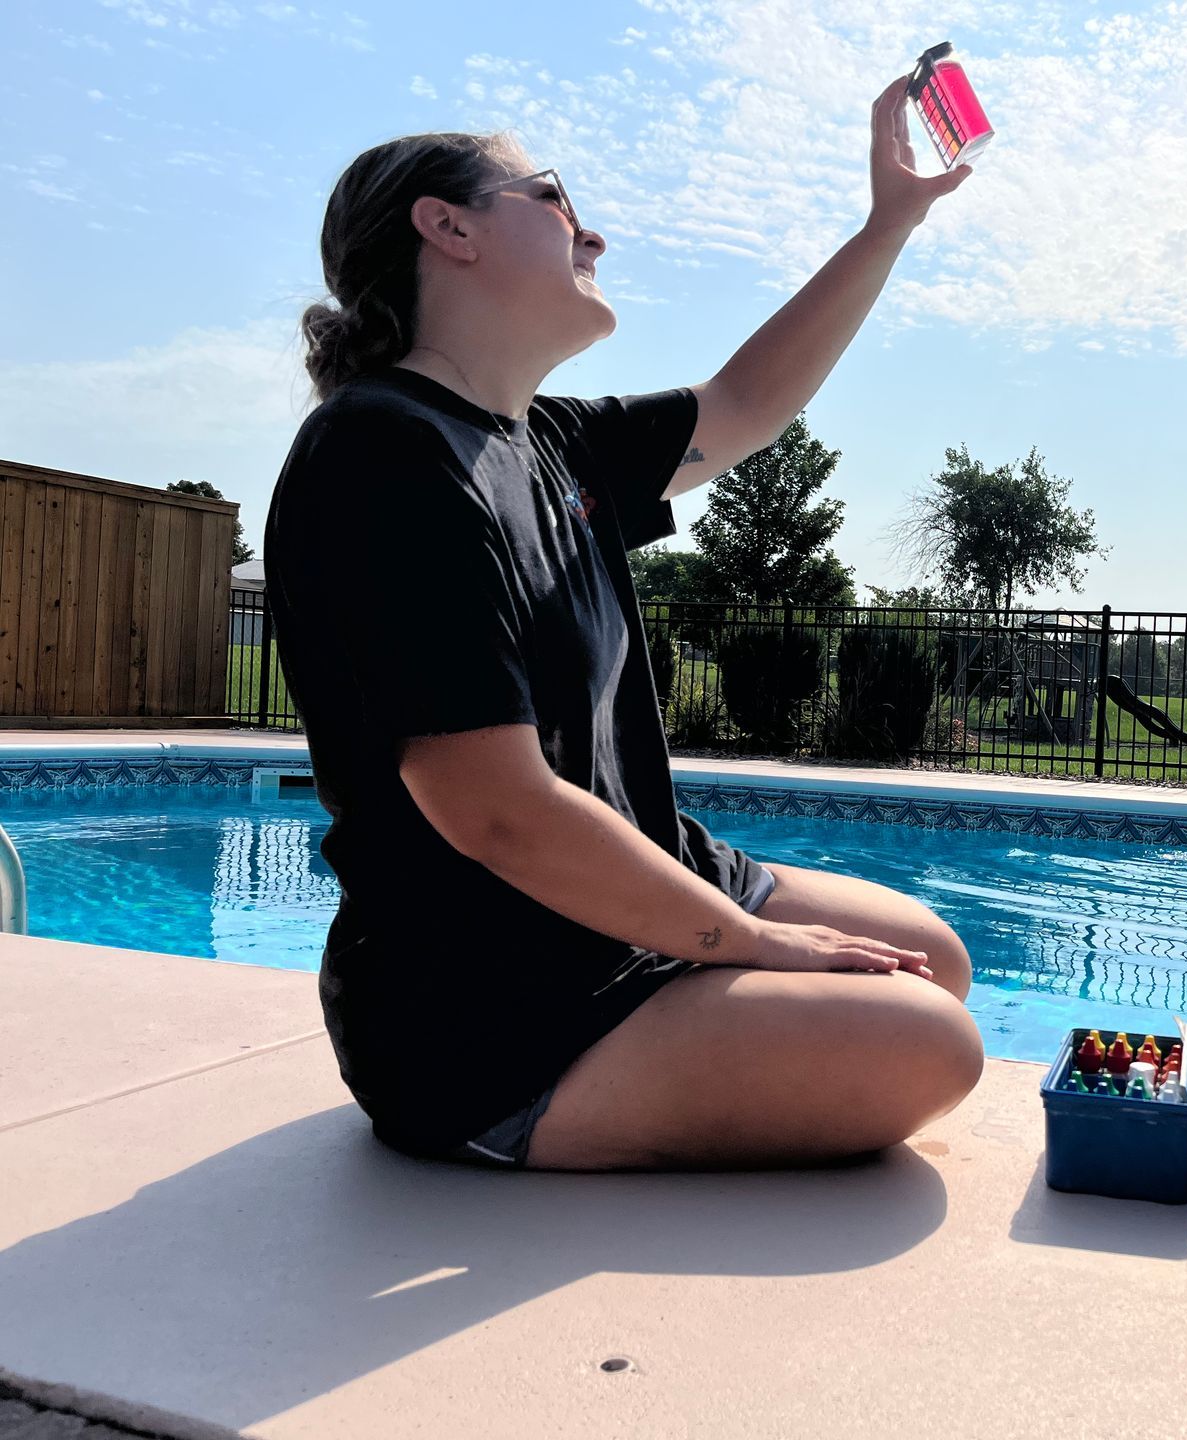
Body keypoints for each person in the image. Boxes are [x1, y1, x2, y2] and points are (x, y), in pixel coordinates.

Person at [264, 80, 983, 1172]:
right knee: (931, 1044)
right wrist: (748, 944)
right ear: (445, 226)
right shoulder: (381, 457)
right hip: (487, 999)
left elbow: (745, 404)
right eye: (552, 197)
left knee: (933, 960)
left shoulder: (545, 440)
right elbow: (493, 812)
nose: (591, 228)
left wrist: (890, 223)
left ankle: (699, 978)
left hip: (625, 897)